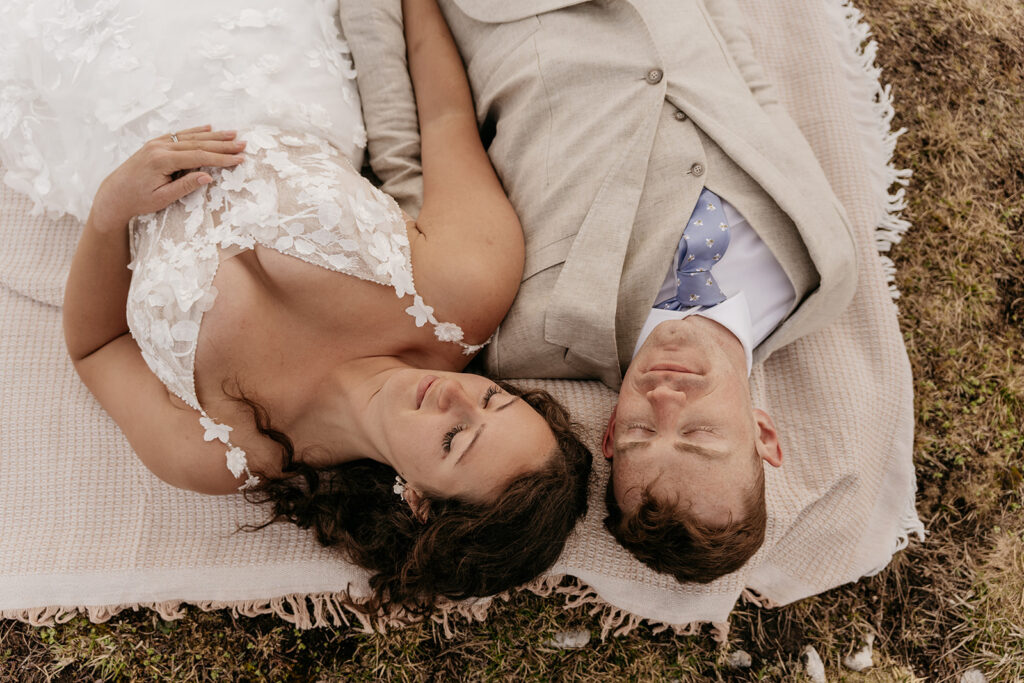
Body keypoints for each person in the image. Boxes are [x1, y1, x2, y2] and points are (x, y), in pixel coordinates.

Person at [54, 0, 591, 610]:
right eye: (494, 399)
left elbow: (95, 348)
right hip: (260, 49)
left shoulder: (217, 452)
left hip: (94, 110)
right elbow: (444, 119)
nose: (455, 394)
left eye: (454, 439)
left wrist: (107, 214)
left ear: (415, 500)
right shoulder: (466, 288)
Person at [421, 0, 859, 583]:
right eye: (701, 433)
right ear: (764, 433)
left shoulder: (523, 333)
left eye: (639, 432)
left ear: (607, 433)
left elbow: (422, 162)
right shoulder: (825, 270)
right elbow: (752, 93)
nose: (666, 398)